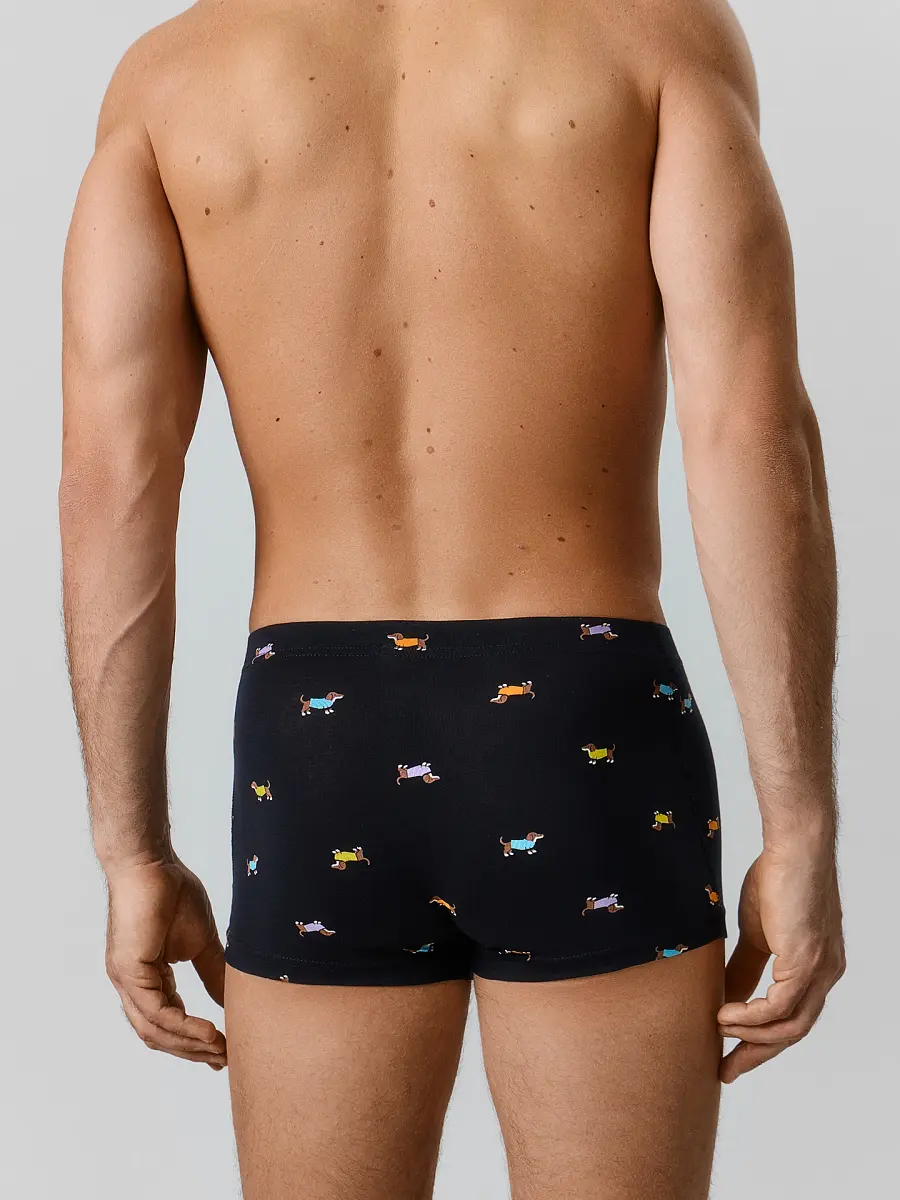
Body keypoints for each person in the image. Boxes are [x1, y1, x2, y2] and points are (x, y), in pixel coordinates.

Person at [58, 1, 845, 1197]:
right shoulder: (652, 34)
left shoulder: (173, 78)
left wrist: (129, 850)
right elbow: (749, 431)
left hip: (314, 736)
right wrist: (802, 823)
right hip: (581, 721)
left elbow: (113, 475)